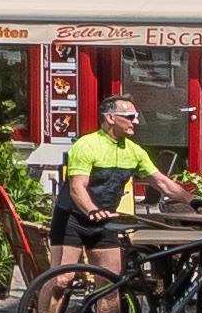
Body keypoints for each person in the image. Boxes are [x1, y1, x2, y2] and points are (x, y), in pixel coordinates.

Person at [54, 94, 169, 288]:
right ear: (110, 118)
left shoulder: (135, 151)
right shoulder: (87, 145)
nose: (137, 121)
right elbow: (77, 188)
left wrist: (192, 200)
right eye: (131, 117)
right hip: (72, 218)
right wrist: (92, 210)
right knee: (61, 280)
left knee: (109, 284)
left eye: (137, 116)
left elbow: (163, 183)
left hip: (104, 221)